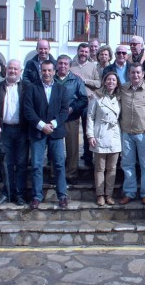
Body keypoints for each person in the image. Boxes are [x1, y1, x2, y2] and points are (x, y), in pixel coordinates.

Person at [24, 60, 69, 209]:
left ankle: (62, 195)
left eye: (50, 70)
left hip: (56, 132)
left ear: (54, 71)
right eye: (44, 70)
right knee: (37, 165)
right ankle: (37, 197)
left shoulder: (61, 89)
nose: (47, 73)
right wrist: (42, 126)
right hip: (38, 132)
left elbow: (64, 111)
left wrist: (53, 124)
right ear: (40, 71)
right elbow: (28, 110)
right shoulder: (32, 88)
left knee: (59, 164)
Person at [0, 59, 29, 206]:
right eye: (10, 68)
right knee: (7, 164)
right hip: (4, 130)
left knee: (22, 164)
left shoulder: (26, 87)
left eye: (15, 69)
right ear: (6, 70)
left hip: (22, 131)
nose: (12, 71)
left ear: (20, 71)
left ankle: (20, 195)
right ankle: (7, 193)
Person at [119, 63, 145, 205]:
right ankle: (129, 192)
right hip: (126, 133)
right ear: (128, 74)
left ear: (143, 74)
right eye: (132, 73)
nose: (135, 75)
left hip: (144, 133)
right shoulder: (122, 88)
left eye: (138, 73)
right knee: (127, 164)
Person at [86, 71, 122, 206]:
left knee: (112, 168)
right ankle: (100, 194)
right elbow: (90, 117)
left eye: (114, 80)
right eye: (109, 80)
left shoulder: (119, 97)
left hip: (114, 135)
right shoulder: (96, 96)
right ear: (104, 81)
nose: (111, 82)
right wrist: (90, 135)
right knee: (100, 168)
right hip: (100, 133)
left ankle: (109, 194)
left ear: (117, 82)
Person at [54, 55, 88, 183]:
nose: (63, 66)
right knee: (55, 148)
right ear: (57, 65)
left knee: (72, 148)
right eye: (60, 63)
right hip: (54, 119)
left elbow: (83, 99)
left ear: (69, 66)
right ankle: (55, 173)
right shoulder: (52, 78)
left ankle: (71, 174)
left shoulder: (76, 80)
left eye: (65, 64)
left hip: (71, 118)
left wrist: (72, 108)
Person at [70, 42, 101, 167]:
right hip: (73, 102)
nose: (83, 54)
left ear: (89, 53)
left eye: (86, 52)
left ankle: (88, 156)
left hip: (88, 102)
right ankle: (72, 158)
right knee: (72, 132)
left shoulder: (93, 67)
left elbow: (99, 83)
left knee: (88, 130)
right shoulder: (71, 65)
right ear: (78, 51)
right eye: (81, 51)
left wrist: (85, 80)